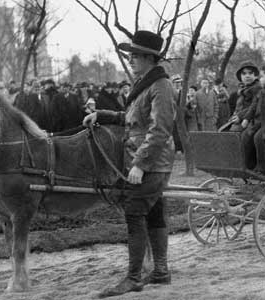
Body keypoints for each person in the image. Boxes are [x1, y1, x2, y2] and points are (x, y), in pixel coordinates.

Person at [82, 30, 175, 298]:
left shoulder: (161, 86)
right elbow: (133, 119)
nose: (131, 59)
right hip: (148, 160)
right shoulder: (147, 83)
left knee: (135, 213)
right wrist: (102, 114)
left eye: (135, 55)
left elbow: (159, 130)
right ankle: (160, 271)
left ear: (149, 57)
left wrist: (140, 165)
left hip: (152, 163)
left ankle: (134, 277)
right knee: (155, 213)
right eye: (131, 55)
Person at [228, 61, 261, 131]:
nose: (247, 76)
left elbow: (255, 105)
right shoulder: (242, 90)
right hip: (238, 120)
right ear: (240, 76)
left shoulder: (257, 88)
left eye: (250, 73)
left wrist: (240, 116)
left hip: (250, 121)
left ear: (255, 75)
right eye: (244, 74)